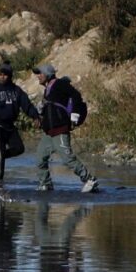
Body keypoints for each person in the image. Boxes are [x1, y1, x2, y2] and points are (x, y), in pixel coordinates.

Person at [32, 64, 98, 193]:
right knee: (40, 158)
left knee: (68, 159)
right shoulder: (48, 89)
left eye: (40, 73)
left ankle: (90, 180)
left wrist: (75, 115)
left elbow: (76, 96)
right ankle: (45, 184)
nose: (38, 76)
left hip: (60, 130)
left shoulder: (60, 84)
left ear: (48, 74)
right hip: (49, 132)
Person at [0, 63, 38, 186]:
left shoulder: (17, 91)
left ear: (10, 76)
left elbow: (26, 105)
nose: (2, 77)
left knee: (19, 149)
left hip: (10, 126)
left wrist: (35, 116)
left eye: (4, 75)